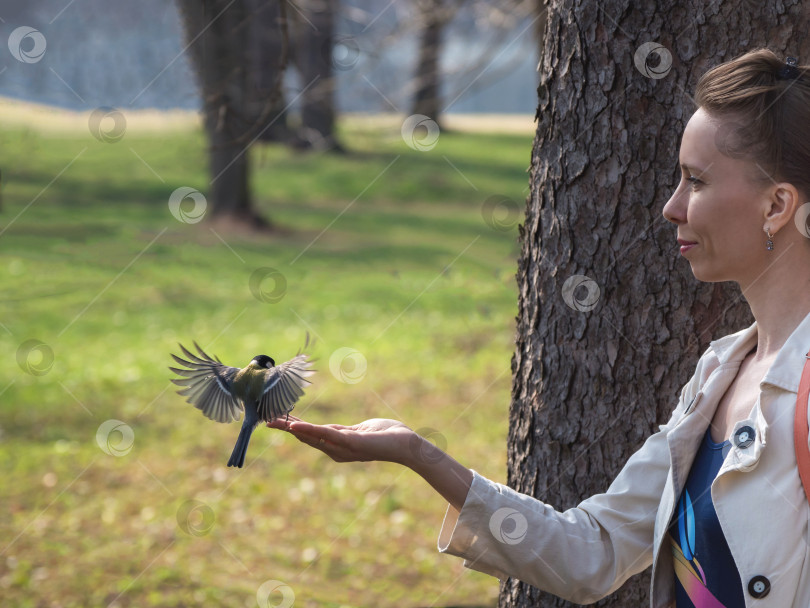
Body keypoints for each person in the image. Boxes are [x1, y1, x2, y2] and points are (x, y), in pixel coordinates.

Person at [268, 48, 810, 607]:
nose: (671, 208)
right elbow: (592, 553)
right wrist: (418, 453)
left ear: (776, 206)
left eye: (695, 182)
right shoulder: (719, 374)